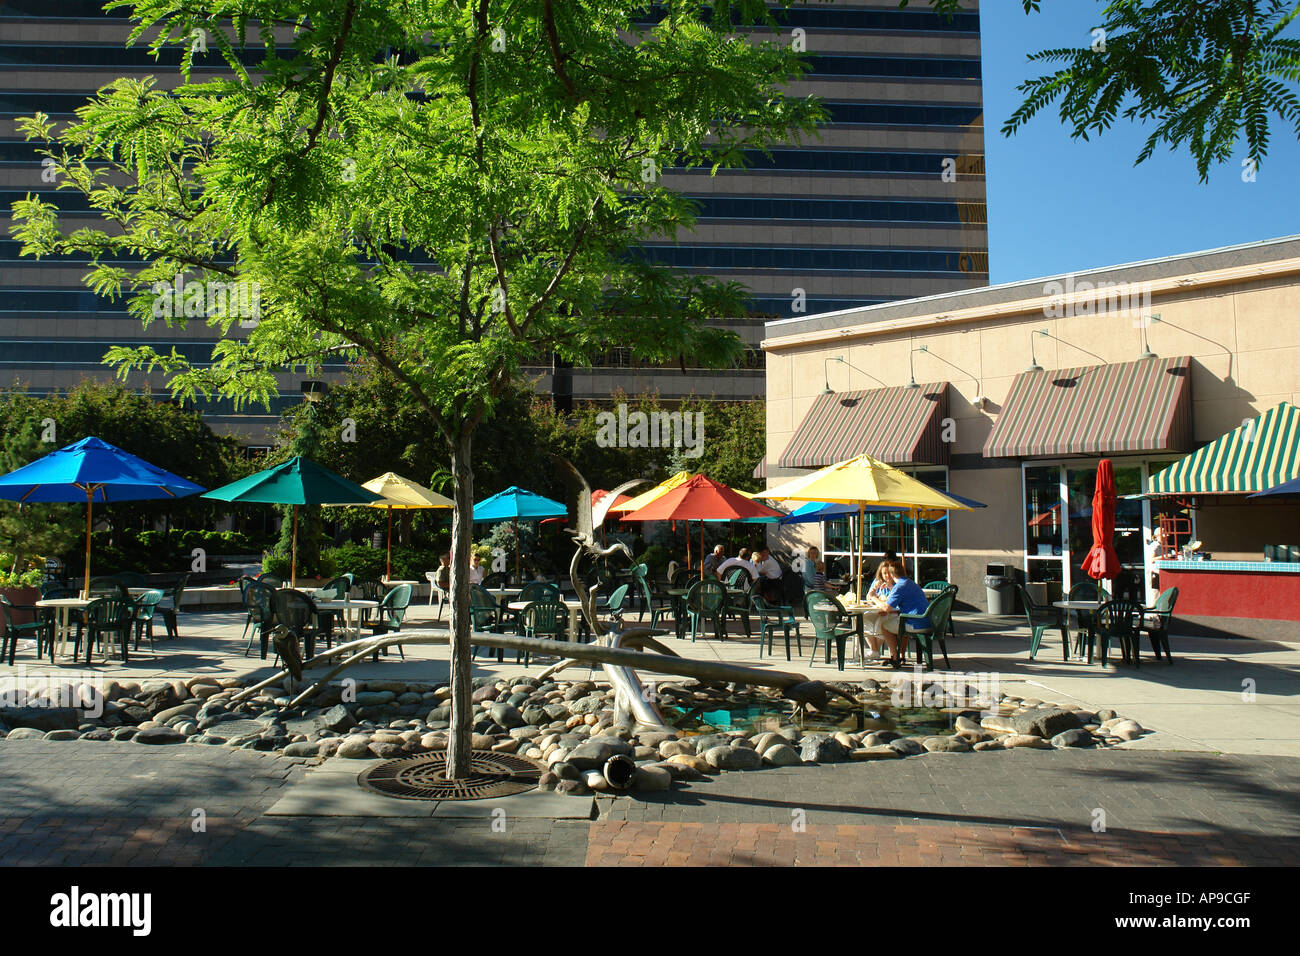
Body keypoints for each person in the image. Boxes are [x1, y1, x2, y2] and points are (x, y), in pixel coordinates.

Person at [871, 558, 929, 668]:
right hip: (925, 621)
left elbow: (886, 608)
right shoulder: (910, 583)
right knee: (896, 623)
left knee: (885, 626)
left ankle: (895, 657)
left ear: (892, 575)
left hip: (914, 623)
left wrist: (874, 597)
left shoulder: (900, 586)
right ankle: (900, 655)